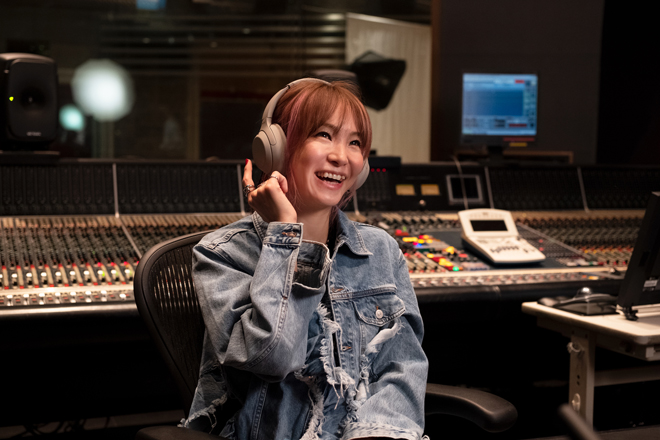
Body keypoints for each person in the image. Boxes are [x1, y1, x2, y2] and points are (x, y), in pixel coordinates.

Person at [183, 78, 428, 440]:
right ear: (276, 149)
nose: (341, 156)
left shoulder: (381, 250)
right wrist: (286, 238)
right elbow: (273, 358)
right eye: (324, 135)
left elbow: (401, 369)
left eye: (355, 142)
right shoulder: (222, 254)